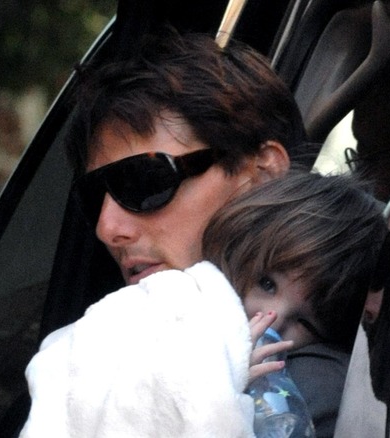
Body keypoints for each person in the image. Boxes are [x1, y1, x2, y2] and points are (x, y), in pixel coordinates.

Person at [20, 30, 317, 437]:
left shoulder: (322, 390)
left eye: (144, 181)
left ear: (261, 172)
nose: (108, 229)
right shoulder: (88, 352)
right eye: (93, 197)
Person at [202, 170, 387, 437]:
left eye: (305, 323)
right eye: (267, 284)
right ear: (233, 254)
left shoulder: (305, 385)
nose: (273, 319)